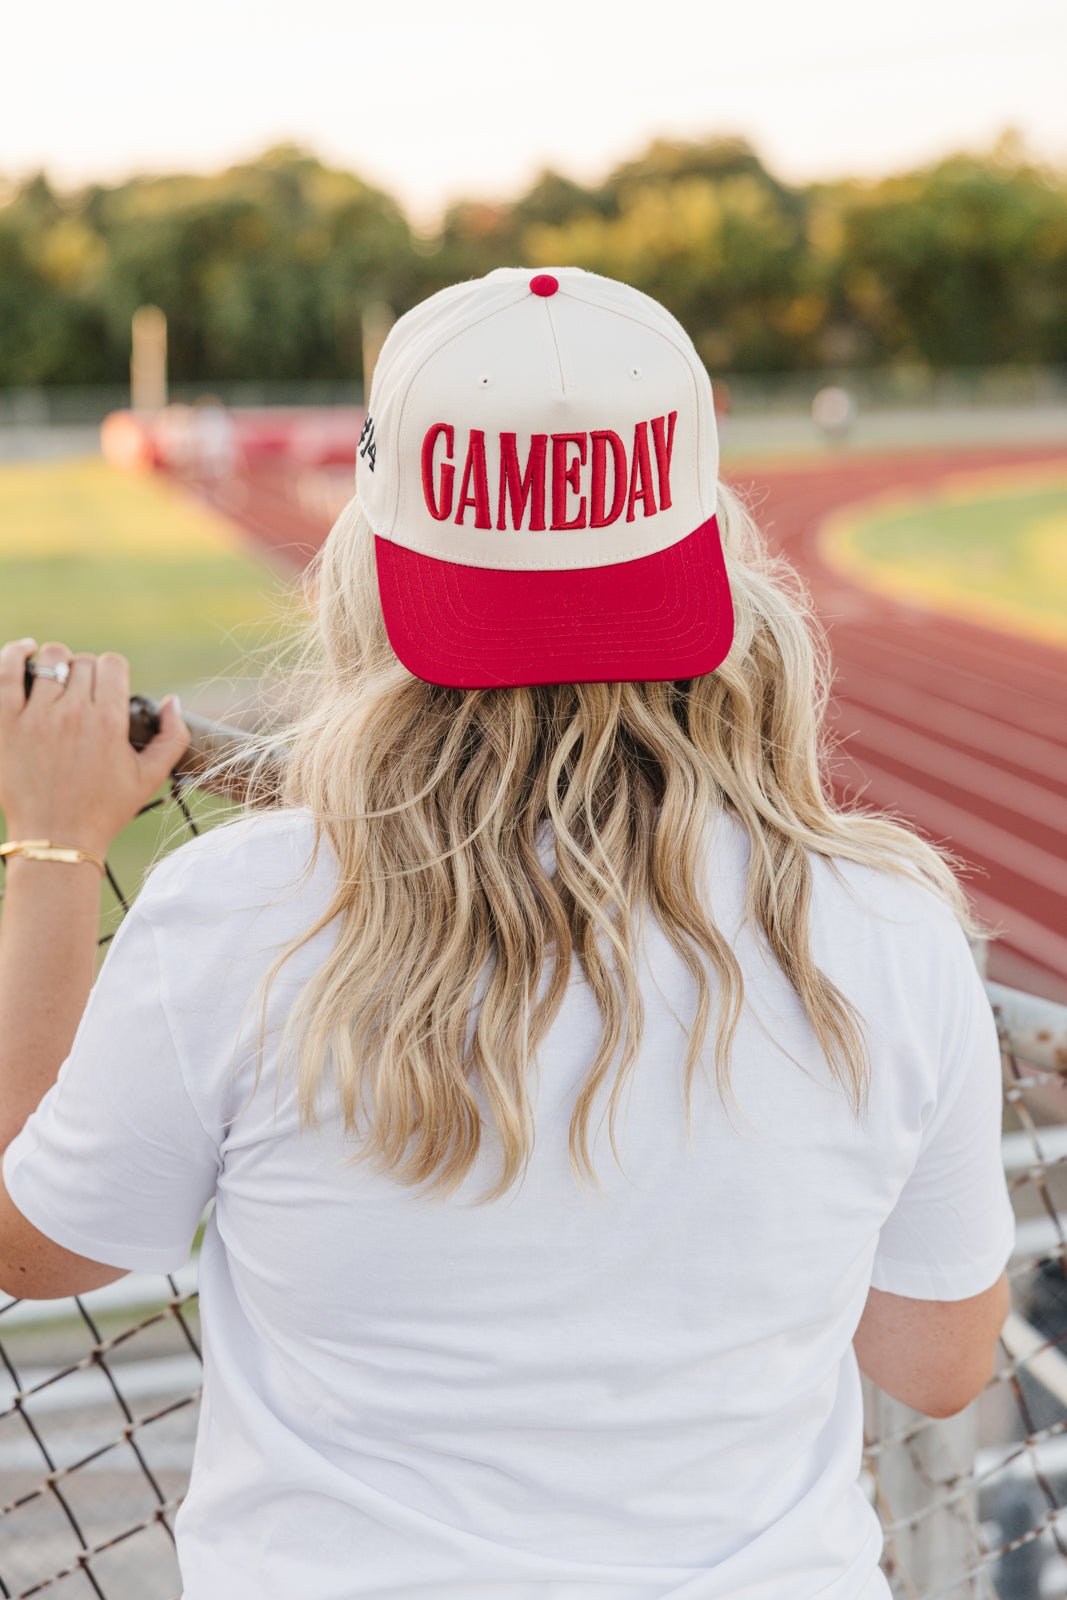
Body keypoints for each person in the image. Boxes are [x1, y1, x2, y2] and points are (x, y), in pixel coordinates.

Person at [0, 267, 1014, 1600]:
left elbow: (40, 1245)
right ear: (709, 553)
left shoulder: (241, 913)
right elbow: (936, 1364)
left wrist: (55, 849)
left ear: (372, 560)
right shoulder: (888, 924)